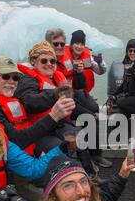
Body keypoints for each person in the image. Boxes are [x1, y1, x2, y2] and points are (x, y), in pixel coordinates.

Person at [0, 55, 76, 158]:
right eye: (6, 76)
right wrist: (54, 116)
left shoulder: (9, 96)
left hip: (28, 153)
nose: (12, 81)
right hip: (10, 163)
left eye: (16, 77)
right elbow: (16, 140)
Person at [15, 41, 111, 169]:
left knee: (79, 139)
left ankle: (91, 175)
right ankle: (70, 177)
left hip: (60, 123)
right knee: (65, 151)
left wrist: (77, 75)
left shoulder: (56, 76)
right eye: (44, 61)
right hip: (42, 130)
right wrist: (55, 94)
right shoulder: (28, 80)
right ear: (33, 62)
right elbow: (29, 102)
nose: (49, 64)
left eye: (52, 61)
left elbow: (77, 89)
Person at [108, 39, 135, 117]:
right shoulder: (127, 63)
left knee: (120, 102)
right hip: (131, 96)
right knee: (116, 101)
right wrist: (113, 95)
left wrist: (133, 74)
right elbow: (124, 83)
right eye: (130, 51)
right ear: (127, 52)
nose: (132, 53)